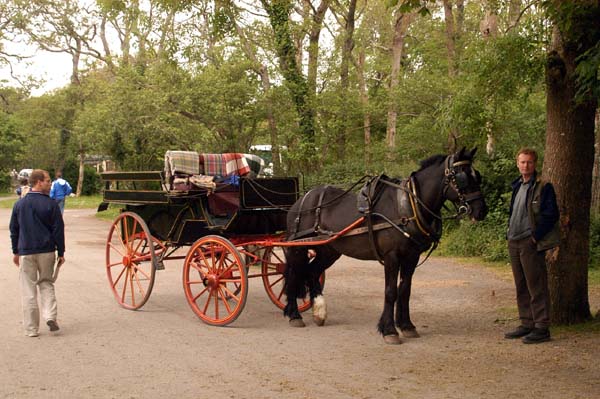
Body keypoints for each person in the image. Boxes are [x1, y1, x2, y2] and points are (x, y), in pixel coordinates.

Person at [504, 148, 560, 344]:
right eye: (522, 162)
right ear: (517, 164)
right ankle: (526, 323)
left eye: (528, 162)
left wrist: (535, 237)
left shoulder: (544, 187)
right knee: (521, 285)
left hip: (530, 242)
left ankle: (541, 327)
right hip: (514, 241)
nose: (525, 165)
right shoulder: (517, 186)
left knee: (536, 285)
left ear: (535, 164)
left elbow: (551, 215)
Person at [9, 169, 65, 337]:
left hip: (26, 251)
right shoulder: (51, 204)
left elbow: (14, 230)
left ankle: (31, 329)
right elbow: (58, 230)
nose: (50, 183)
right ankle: (50, 316)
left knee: (28, 289)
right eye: (47, 181)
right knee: (46, 284)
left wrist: (16, 252)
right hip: (47, 251)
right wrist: (61, 252)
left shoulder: (19, 204)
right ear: (39, 182)